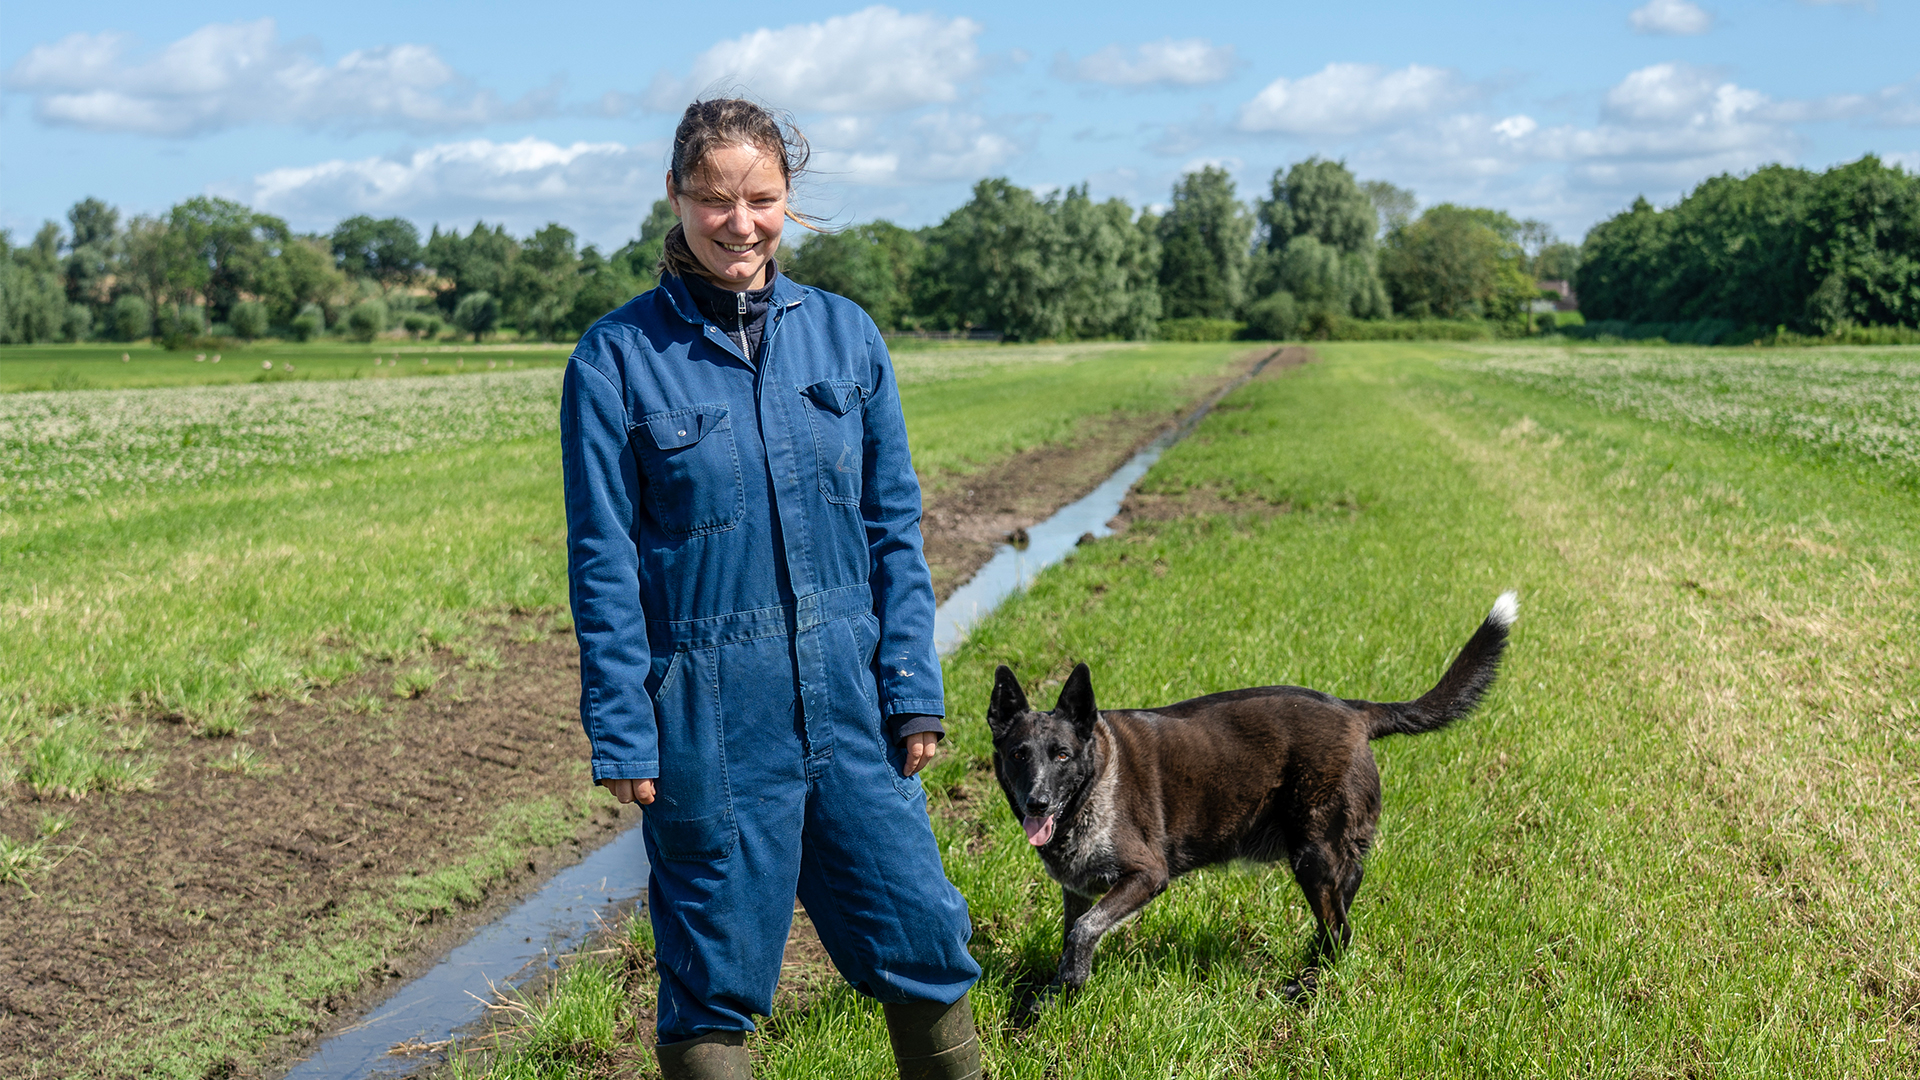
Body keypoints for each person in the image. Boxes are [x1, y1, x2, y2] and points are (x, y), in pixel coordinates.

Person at [559, 97, 983, 1080]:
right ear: (675, 198)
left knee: (924, 936)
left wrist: (912, 688)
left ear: (788, 197)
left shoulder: (846, 339)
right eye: (714, 200)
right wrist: (622, 726)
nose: (739, 223)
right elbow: (604, 559)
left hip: (852, 701)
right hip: (709, 716)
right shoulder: (616, 360)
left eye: (762, 198)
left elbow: (892, 532)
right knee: (715, 976)